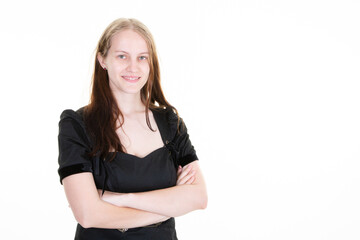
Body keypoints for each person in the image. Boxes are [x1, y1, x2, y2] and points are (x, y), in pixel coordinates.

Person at [57, 18, 207, 239]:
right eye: (122, 56)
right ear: (102, 60)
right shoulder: (77, 125)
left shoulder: (170, 122)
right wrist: (165, 209)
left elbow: (199, 198)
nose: (133, 67)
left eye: (142, 57)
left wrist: (122, 198)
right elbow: (88, 214)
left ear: (150, 63)